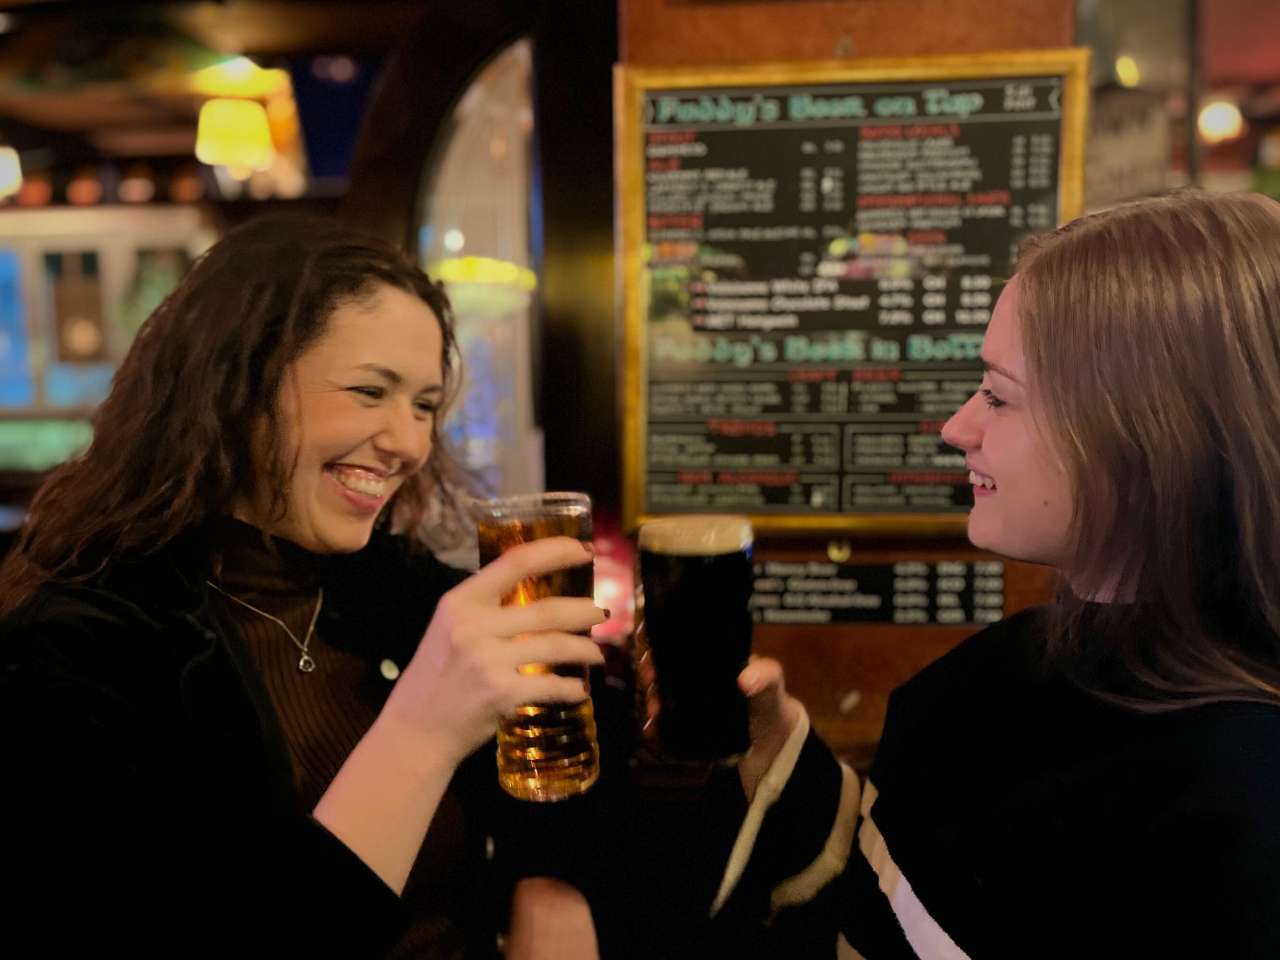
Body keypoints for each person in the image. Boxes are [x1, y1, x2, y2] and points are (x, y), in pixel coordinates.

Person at [557, 190, 1280, 958]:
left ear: (1149, 438)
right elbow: (908, 903)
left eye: (998, 395)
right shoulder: (1027, 662)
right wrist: (775, 747)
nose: (956, 427)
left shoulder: (1243, 800)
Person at [0, 216, 608, 958]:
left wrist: (550, 879)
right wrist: (423, 731)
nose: (409, 443)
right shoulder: (74, 648)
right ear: (237, 385)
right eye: (369, 391)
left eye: (423, 405)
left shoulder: (388, 587)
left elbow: (573, 765)